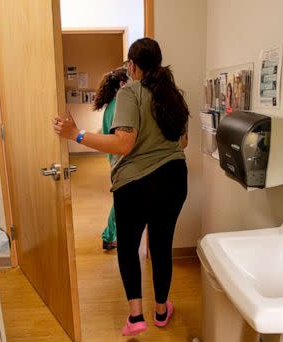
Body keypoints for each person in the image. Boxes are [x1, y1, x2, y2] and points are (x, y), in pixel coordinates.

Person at [54, 37, 189, 336]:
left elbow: (123, 144)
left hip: (136, 184)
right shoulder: (174, 96)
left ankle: (136, 317)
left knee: (128, 247)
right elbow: (183, 142)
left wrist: (76, 134)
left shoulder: (131, 92)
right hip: (174, 178)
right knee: (161, 246)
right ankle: (162, 311)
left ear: (132, 65)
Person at [92, 67, 129, 250]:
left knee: (120, 200)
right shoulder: (118, 107)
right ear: (122, 84)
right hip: (121, 160)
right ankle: (108, 236)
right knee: (121, 201)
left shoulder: (111, 106)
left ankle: (109, 235)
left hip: (115, 159)